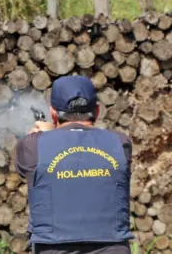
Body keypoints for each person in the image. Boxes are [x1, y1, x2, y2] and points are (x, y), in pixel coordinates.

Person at [13, 75, 134, 254]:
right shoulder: (121, 143)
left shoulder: (32, 145)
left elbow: (24, 167)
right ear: (98, 111)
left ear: (53, 113)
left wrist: (45, 135)